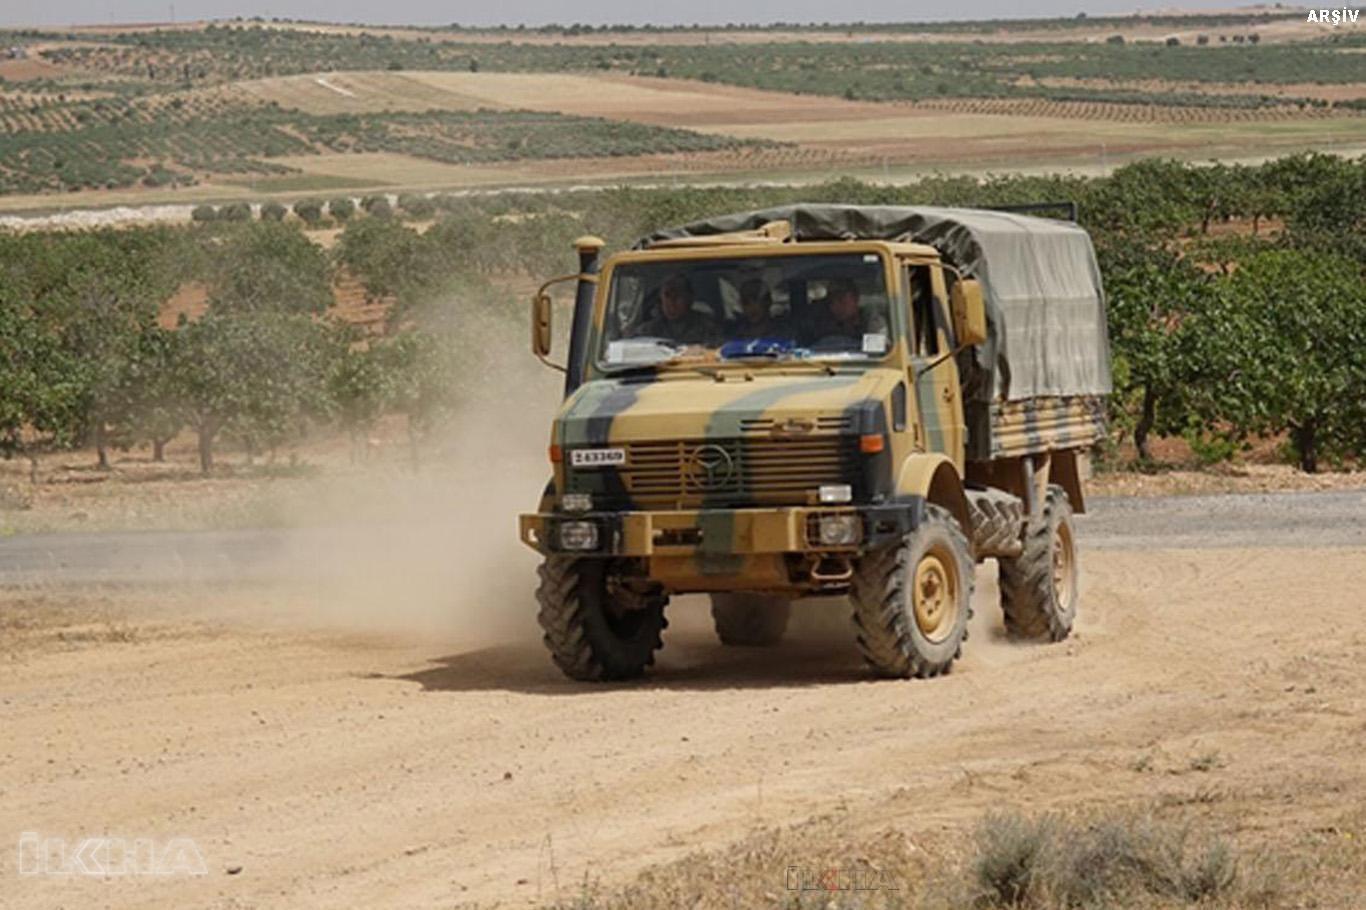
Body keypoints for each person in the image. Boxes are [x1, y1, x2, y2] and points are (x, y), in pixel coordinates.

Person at [631, 273, 719, 346]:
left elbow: (720, 352)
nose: (671, 302)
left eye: (678, 295)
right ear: (660, 298)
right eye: (667, 295)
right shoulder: (648, 331)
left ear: (689, 299)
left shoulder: (707, 327)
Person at [804, 277, 888, 350]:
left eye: (841, 300)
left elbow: (878, 352)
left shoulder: (871, 321)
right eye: (831, 302)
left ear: (856, 299)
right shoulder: (821, 324)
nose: (836, 306)